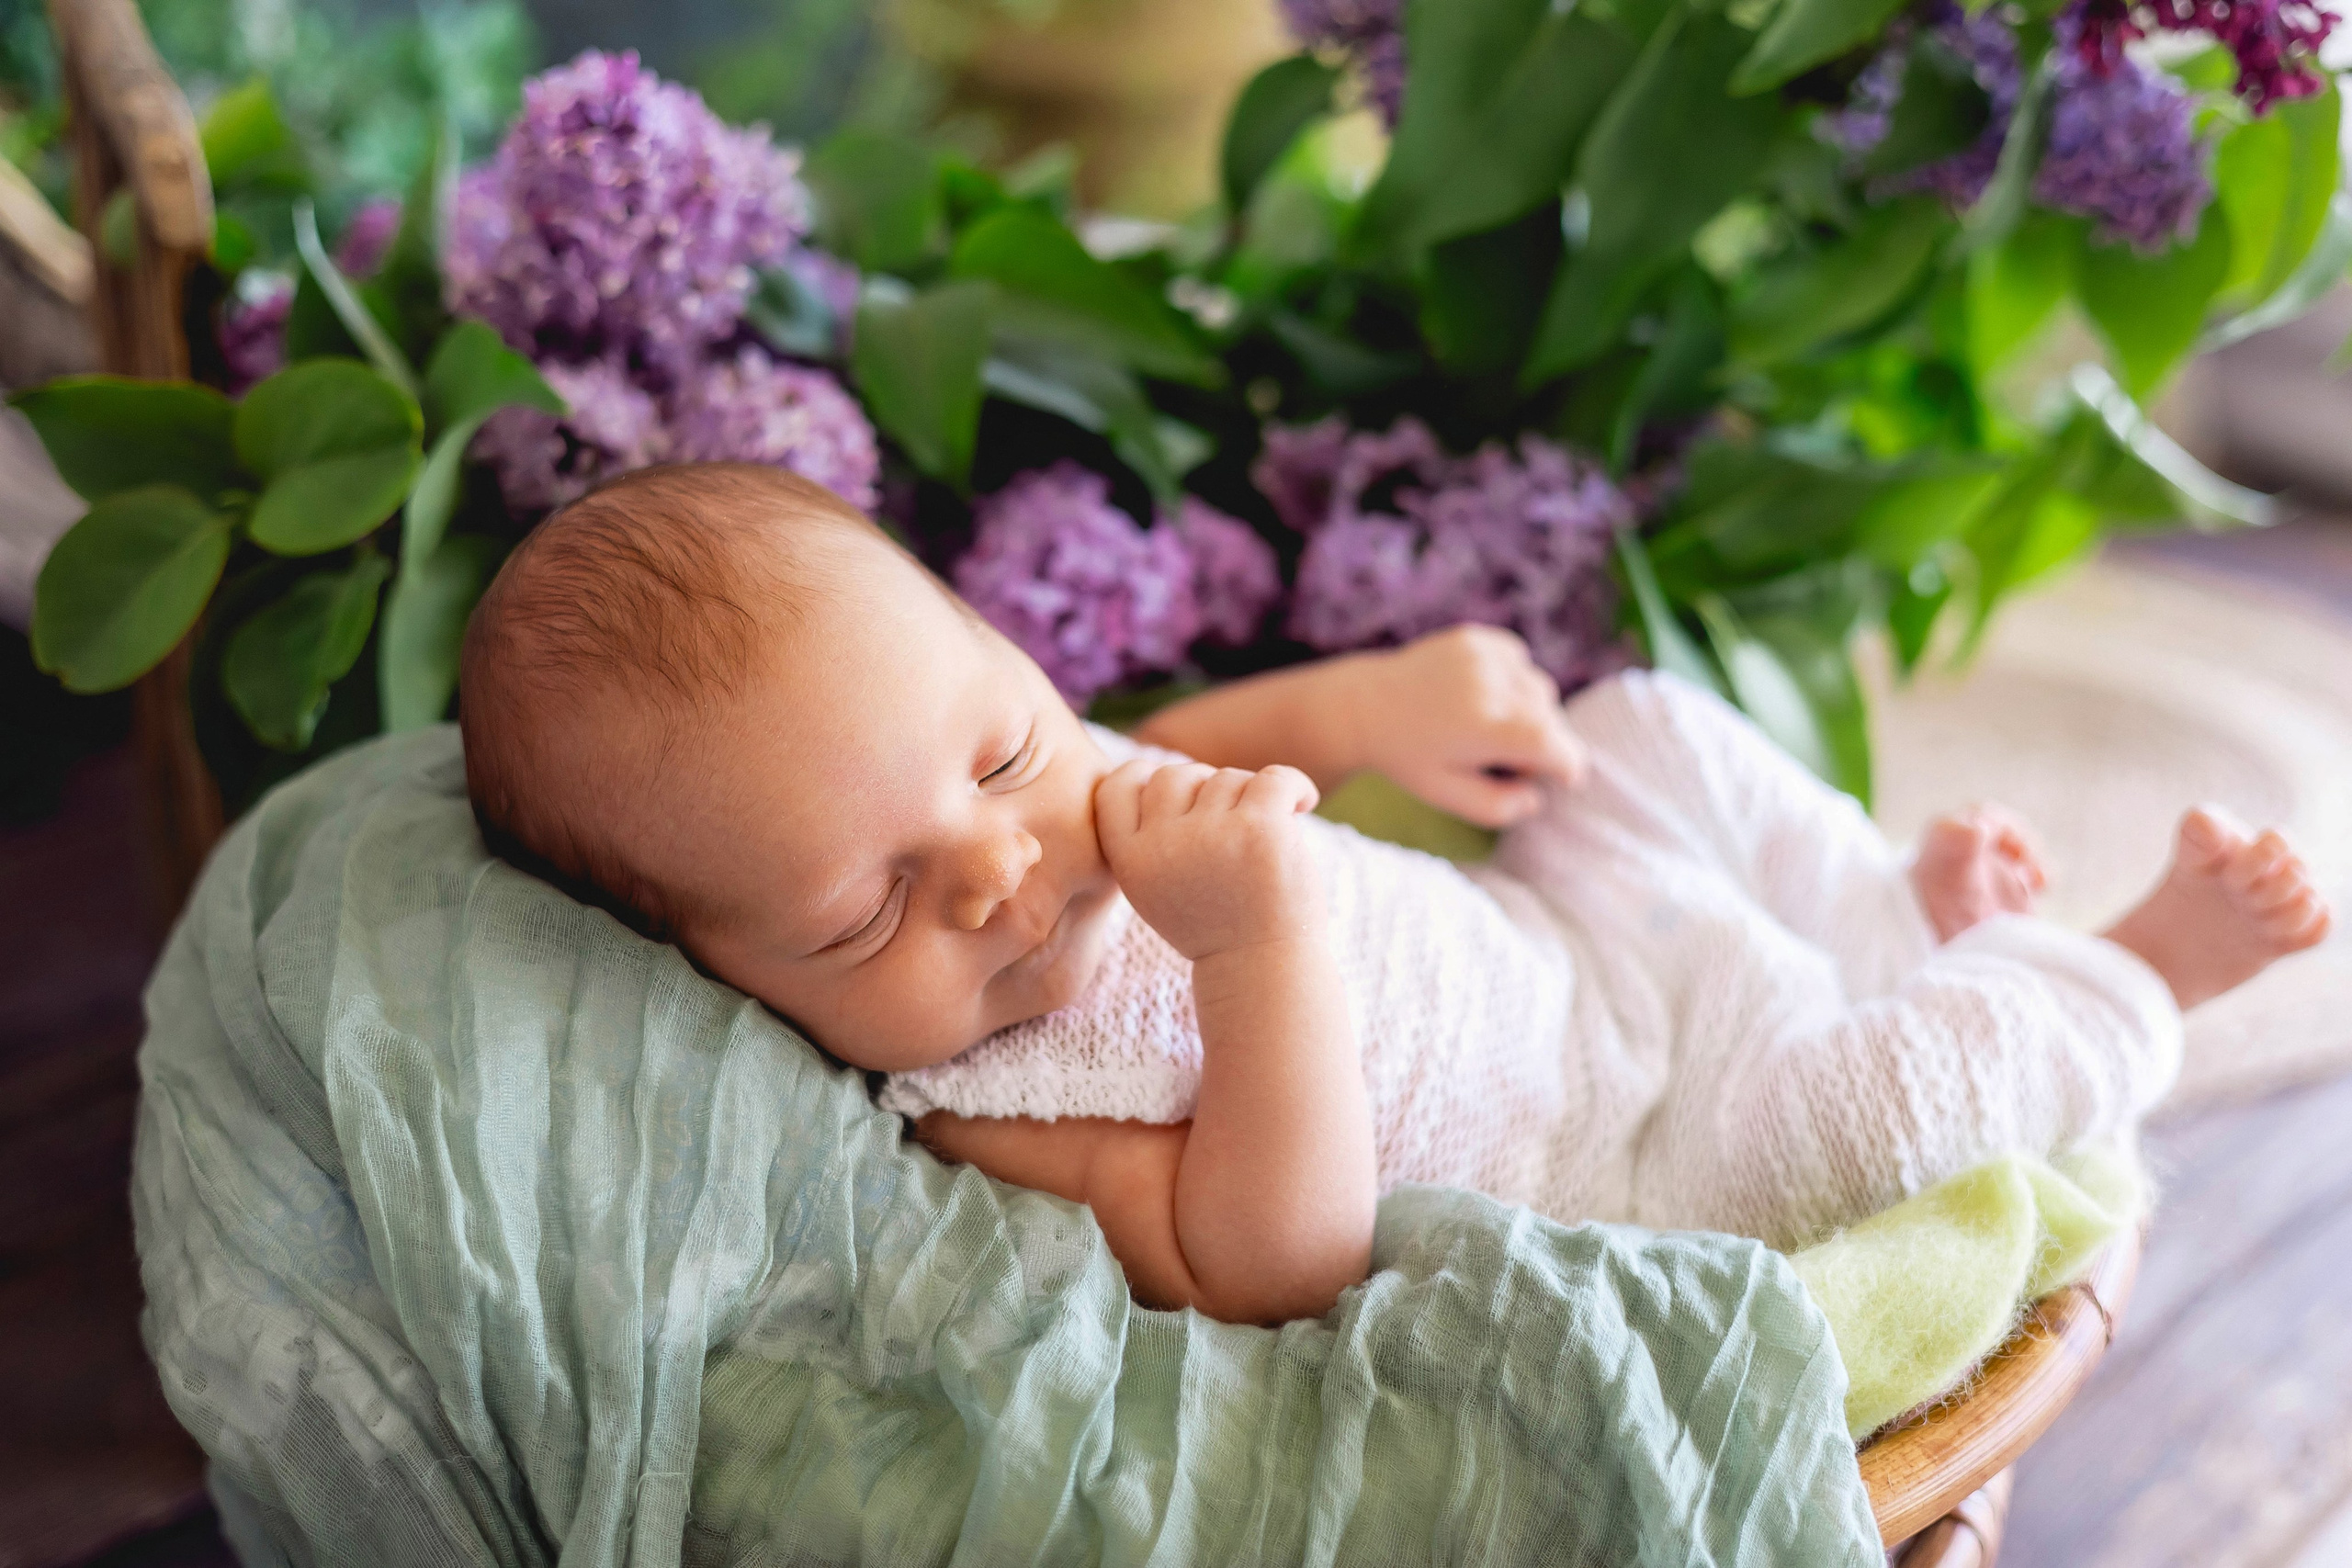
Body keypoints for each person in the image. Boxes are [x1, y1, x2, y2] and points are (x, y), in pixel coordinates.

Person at [459, 463, 2332, 1325]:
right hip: (1628, 1172)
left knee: (1640, 725)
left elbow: (1181, 734)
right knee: (1867, 1111)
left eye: (1006, 753)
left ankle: (1868, 912)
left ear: (1005, 669)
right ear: (717, 977)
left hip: (1569, 945)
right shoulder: (980, 1108)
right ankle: (2113, 970)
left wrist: (1365, 706)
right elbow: (1269, 1258)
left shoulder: (1052, 777)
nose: (999, 868)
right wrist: (1260, 949)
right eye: (863, 914)